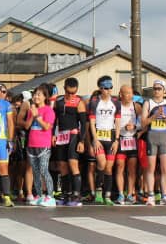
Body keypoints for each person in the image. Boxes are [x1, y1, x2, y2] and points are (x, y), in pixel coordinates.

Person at [52, 77, 87, 207]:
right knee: (62, 167)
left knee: (73, 164)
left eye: (74, 92)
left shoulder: (79, 102)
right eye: (69, 92)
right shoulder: (59, 101)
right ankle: (66, 194)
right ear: (64, 88)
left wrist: (82, 141)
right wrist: (52, 135)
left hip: (73, 135)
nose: (71, 95)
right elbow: (54, 120)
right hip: (61, 135)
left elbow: (84, 124)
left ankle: (76, 195)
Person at [140, 80, 166, 206]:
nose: (156, 91)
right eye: (155, 88)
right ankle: (150, 195)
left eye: (159, 88)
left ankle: (164, 195)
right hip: (152, 137)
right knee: (151, 168)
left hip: (164, 137)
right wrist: (154, 116)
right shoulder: (148, 103)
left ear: (164, 90)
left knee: (165, 168)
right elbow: (143, 123)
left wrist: (164, 117)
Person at [88, 76, 122, 206]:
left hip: (111, 137)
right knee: (101, 164)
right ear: (101, 89)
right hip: (99, 137)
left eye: (111, 88)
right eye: (106, 88)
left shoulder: (116, 102)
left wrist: (117, 140)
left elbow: (117, 121)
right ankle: (98, 191)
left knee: (109, 168)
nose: (109, 90)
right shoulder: (94, 102)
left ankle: (107, 195)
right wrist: (95, 140)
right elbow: (91, 122)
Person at [25, 85, 56, 207]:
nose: (36, 96)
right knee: (35, 171)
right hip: (32, 144)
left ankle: (50, 196)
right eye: (35, 94)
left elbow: (47, 126)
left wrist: (37, 116)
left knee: (44, 170)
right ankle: (38, 195)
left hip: (44, 145)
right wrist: (32, 114)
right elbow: (27, 126)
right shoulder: (31, 110)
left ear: (45, 97)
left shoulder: (49, 110)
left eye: (39, 94)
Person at [115, 85, 140, 205]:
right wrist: (120, 129)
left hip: (132, 139)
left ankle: (130, 193)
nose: (129, 96)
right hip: (120, 139)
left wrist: (135, 127)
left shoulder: (136, 106)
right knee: (120, 166)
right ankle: (120, 194)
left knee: (132, 169)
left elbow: (143, 123)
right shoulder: (116, 106)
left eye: (131, 93)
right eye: (127, 93)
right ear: (121, 94)